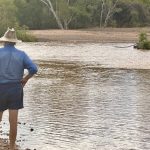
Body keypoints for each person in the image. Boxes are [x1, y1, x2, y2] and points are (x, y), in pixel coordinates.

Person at [0, 28, 38, 150]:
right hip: (16, 89)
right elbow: (34, 69)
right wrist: (25, 79)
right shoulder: (21, 54)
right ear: (15, 42)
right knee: (13, 121)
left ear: (4, 41)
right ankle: (12, 147)